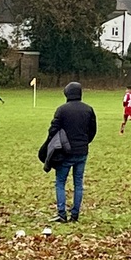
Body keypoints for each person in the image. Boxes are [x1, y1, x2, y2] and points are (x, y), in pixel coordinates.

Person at [38, 82, 97, 224]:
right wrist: (84, 142)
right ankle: (75, 214)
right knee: (78, 183)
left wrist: (47, 147)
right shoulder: (88, 110)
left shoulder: (62, 110)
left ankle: (61, 213)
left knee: (60, 182)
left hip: (64, 152)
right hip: (82, 151)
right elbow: (93, 130)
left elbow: (53, 130)